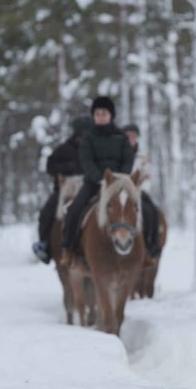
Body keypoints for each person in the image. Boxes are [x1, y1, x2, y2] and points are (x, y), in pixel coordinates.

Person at [59, 96, 135, 264]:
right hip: (93, 184)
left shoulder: (121, 137)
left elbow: (128, 159)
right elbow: (86, 161)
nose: (101, 116)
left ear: (111, 115)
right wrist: (100, 179)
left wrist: (119, 178)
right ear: (94, 116)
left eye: (104, 113)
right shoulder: (87, 137)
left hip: (119, 184)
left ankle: (148, 251)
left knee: (143, 208)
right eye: (98, 113)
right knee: (74, 210)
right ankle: (68, 248)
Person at [31, 115, 92, 264]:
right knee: (46, 213)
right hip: (65, 190)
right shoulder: (63, 149)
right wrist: (69, 168)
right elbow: (50, 167)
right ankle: (45, 244)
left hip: (90, 189)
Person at [119, 123, 161, 258]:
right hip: (120, 192)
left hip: (138, 192)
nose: (131, 138)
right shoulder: (117, 156)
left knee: (151, 211)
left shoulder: (143, 158)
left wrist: (139, 190)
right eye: (128, 136)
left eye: (133, 136)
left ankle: (151, 245)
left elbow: (148, 177)